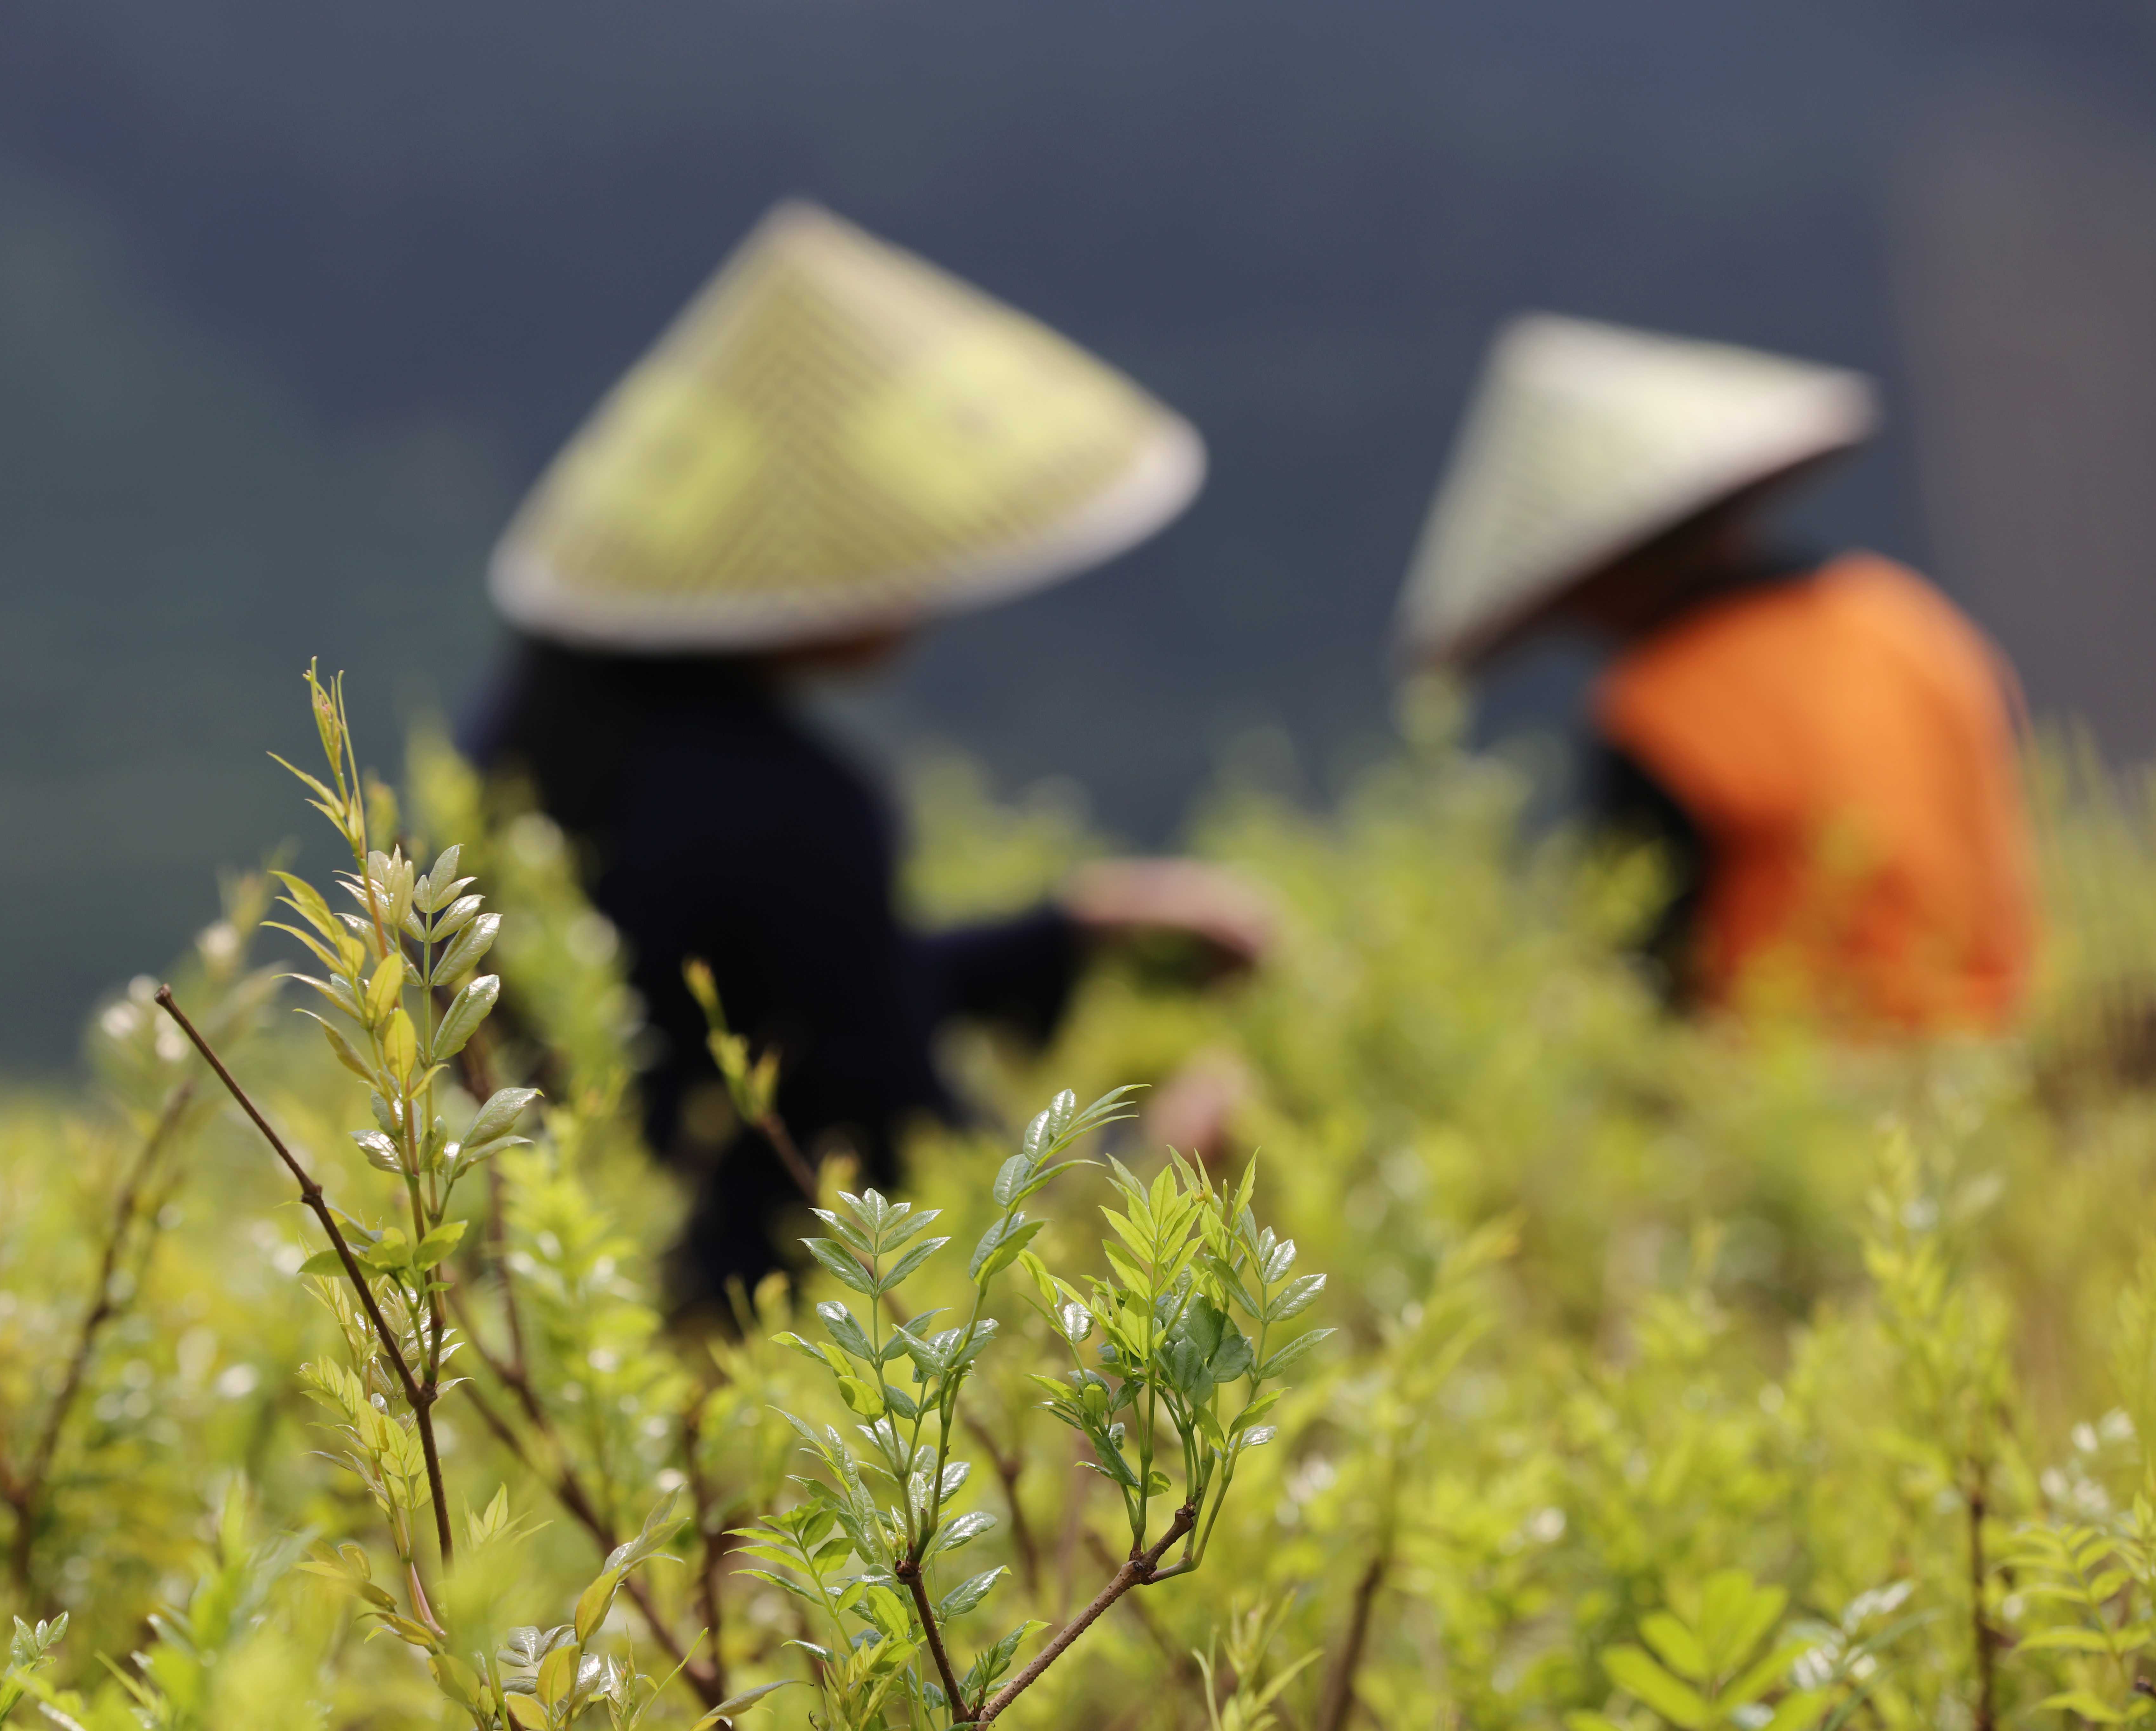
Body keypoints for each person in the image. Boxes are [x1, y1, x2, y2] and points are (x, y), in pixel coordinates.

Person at [464, 201, 1270, 1313]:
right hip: (757, 1347)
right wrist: (1152, 1167)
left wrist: (1072, 931)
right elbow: (906, 1129)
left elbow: (771, 1003)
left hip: (526, 1319)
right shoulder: (794, 809)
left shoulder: (523, 748)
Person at [1394, 313, 2035, 1032]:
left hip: (1784, 1099)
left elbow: (1639, 973)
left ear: (1613, 566)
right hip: (1996, 1065)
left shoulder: (1662, 707)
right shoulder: (1906, 621)